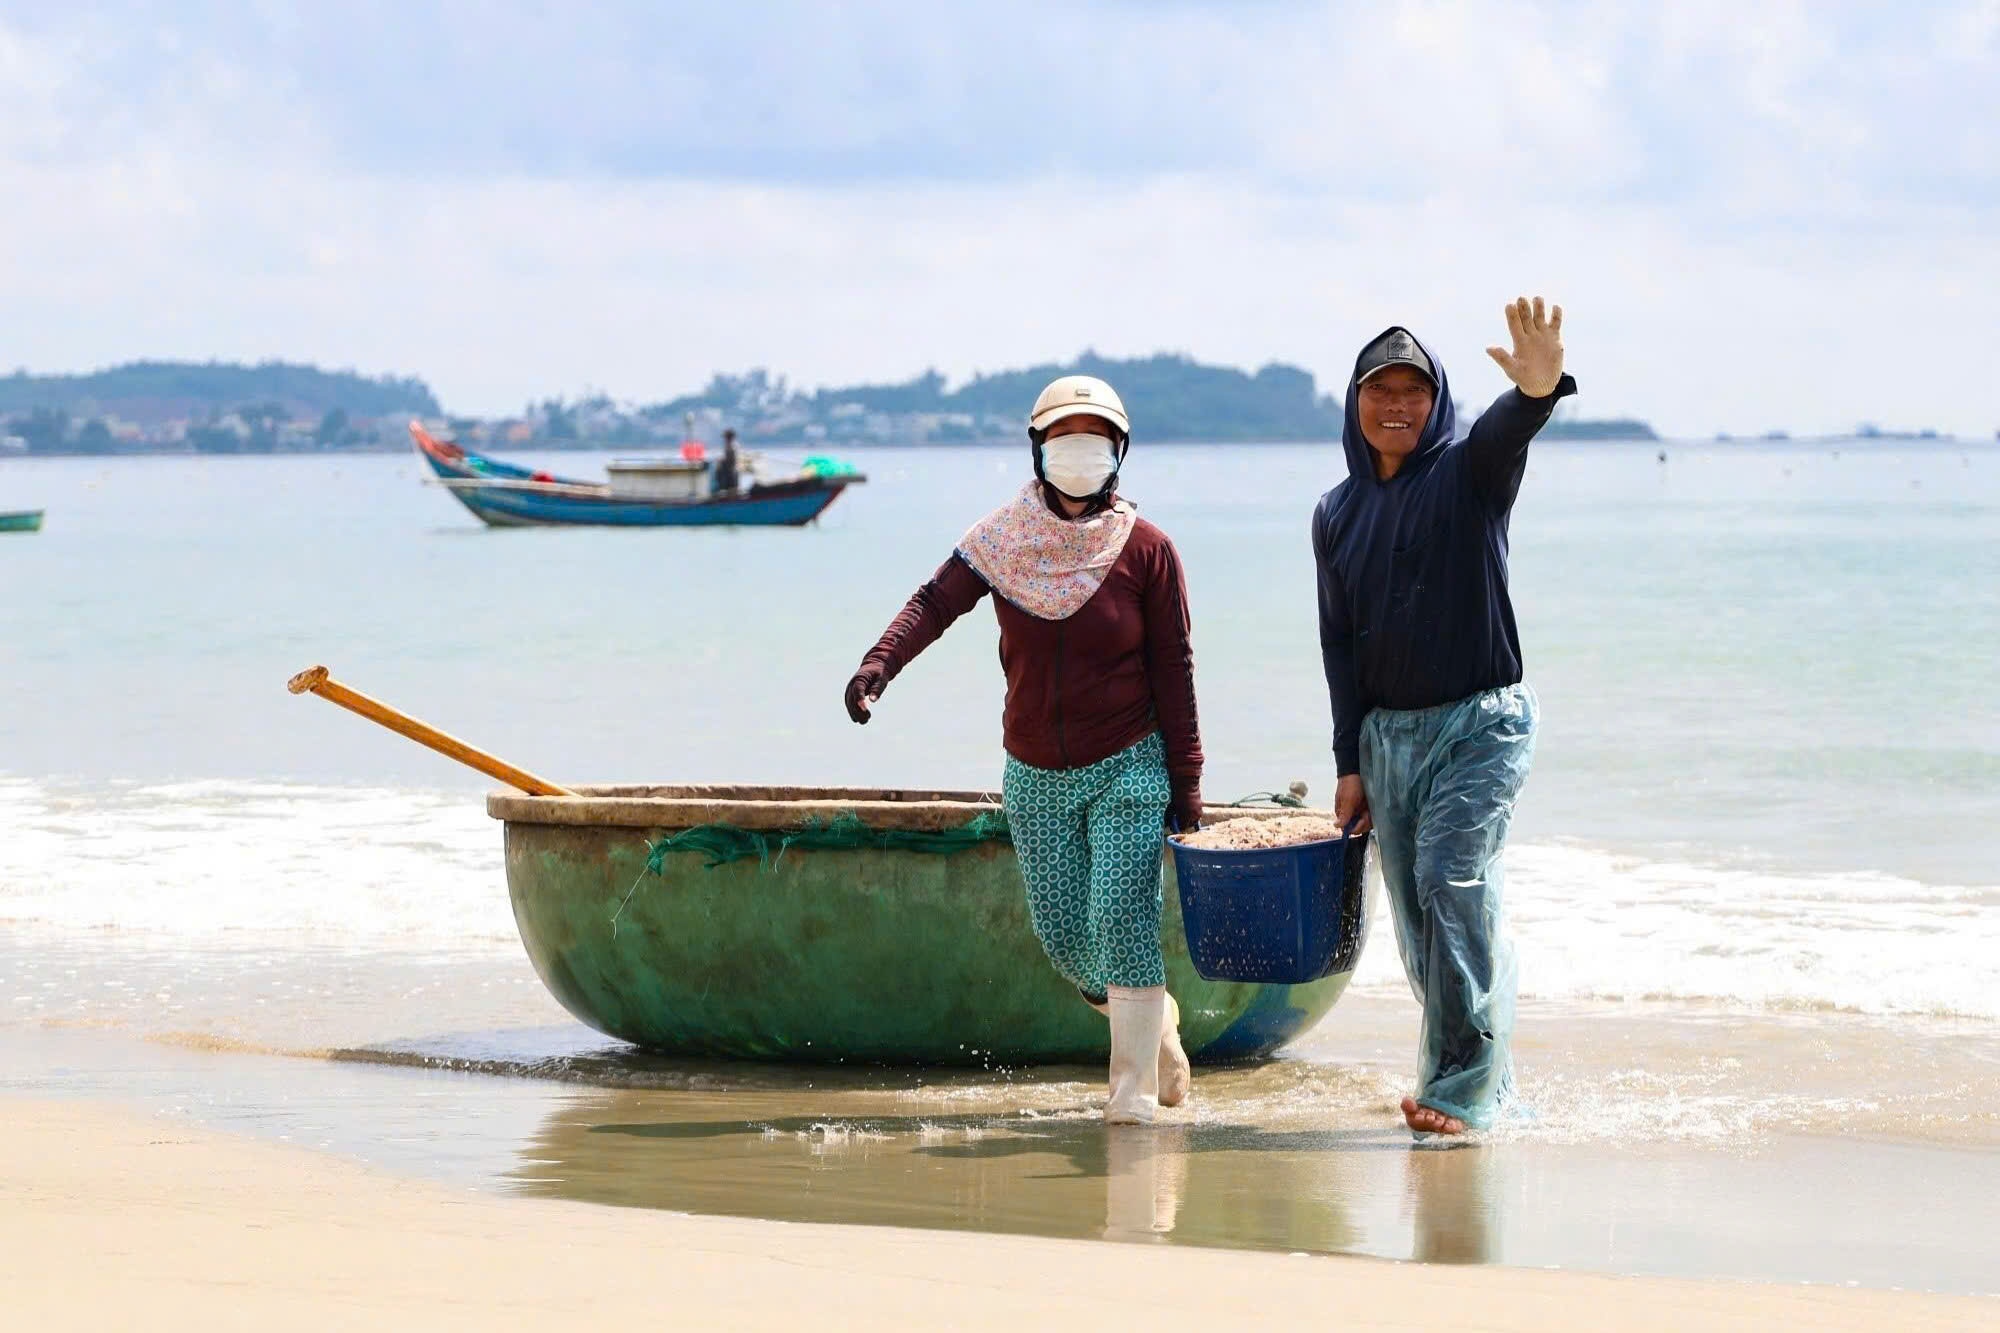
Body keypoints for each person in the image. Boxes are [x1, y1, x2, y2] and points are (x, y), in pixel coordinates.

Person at [845, 375, 1204, 1125]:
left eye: (1096, 439)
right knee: (1069, 942)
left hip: (1129, 763)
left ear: (1119, 452)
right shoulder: (1001, 540)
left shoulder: (1149, 552)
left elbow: (1176, 673)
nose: (1081, 452)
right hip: (1035, 769)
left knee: (1122, 915)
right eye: (1065, 437)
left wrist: (1188, 788)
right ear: (1038, 449)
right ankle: (1158, 1022)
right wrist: (878, 666)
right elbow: (931, 603)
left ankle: (1130, 1089)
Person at [1311, 297, 1574, 1136]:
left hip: (1479, 723)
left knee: (1452, 881)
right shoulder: (1336, 513)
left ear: (1438, 401)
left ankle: (1459, 1092)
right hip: (1388, 739)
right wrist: (1349, 760)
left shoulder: (1468, 473)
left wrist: (1536, 391)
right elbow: (1339, 645)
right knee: (1424, 925)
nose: (1397, 405)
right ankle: (1475, 1072)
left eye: (1414, 391)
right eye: (1379, 389)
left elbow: (1506, 431)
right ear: (1354, 403)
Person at [713, 428, 742, 493]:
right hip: (730, 471)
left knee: (731, 488)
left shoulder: (732, 446)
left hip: (731, 471)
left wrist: (721, 461)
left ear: (729, 438)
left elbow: (731, 459)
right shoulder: (731, 445)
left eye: (725, 437)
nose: (724, 439)